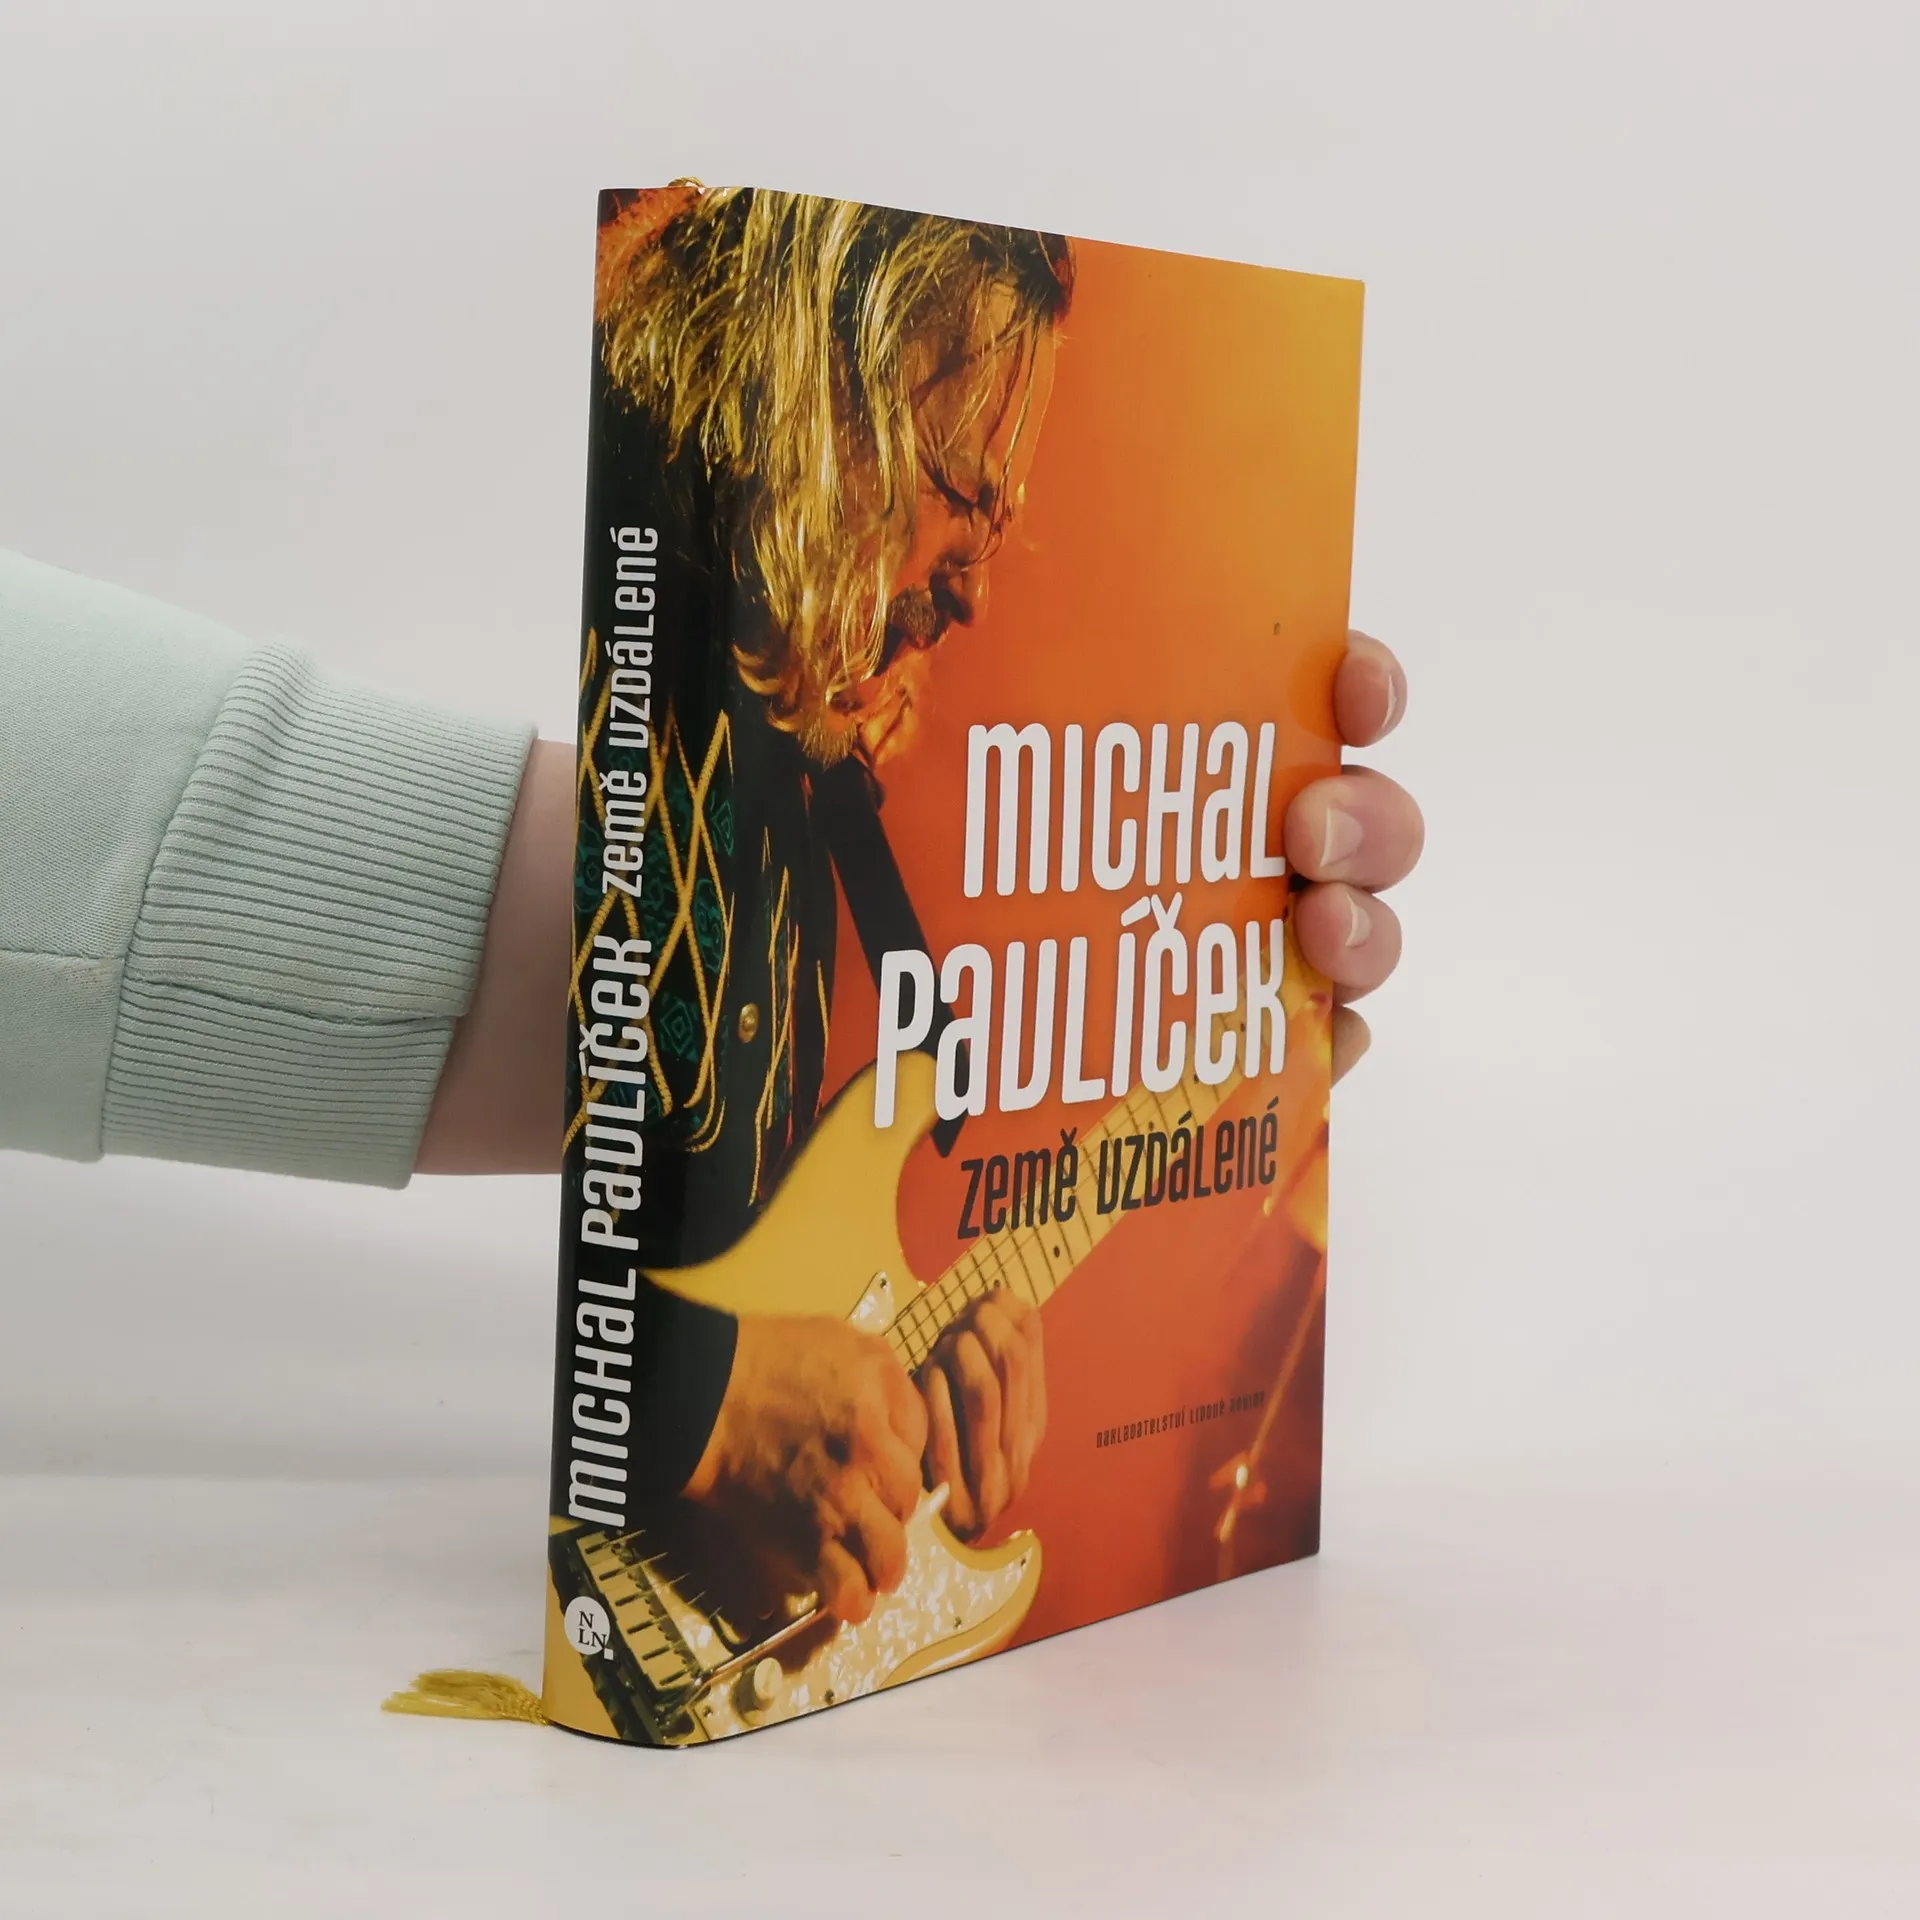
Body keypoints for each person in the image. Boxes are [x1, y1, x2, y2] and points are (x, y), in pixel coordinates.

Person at [0, 190, 1424, 1635]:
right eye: (962, 486)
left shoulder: (791, 806)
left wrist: (890, 1388)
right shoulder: (675, 614)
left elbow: (648, 1110)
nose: (975, 593)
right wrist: (706, 1398)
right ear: (834, 403)